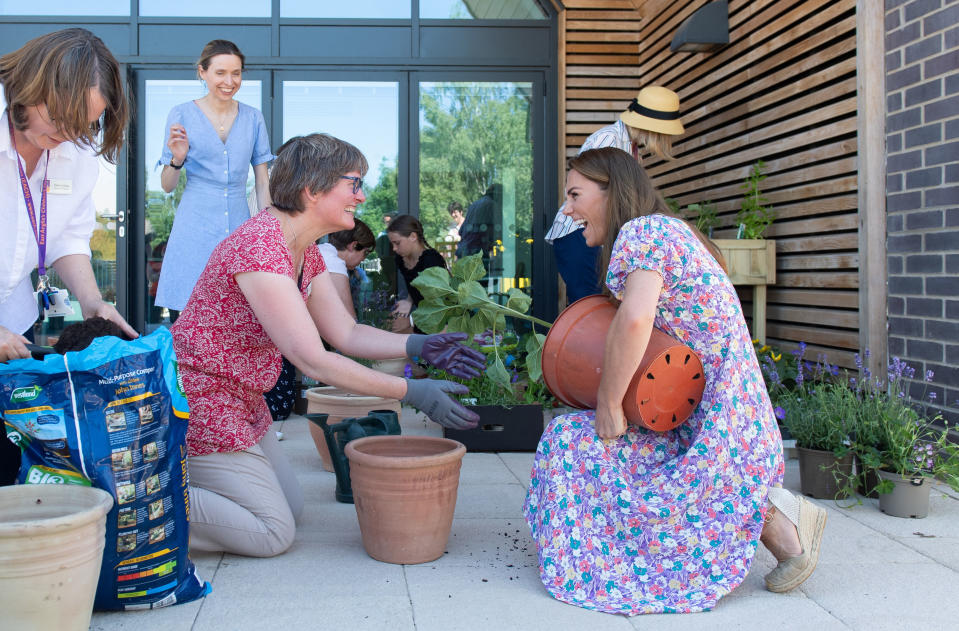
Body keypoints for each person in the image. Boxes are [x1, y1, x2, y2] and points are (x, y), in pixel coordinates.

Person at [524, 147, 826, 614]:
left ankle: (780, 526)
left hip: (718, 430)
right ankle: (776, 522)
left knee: (574, 441)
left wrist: (607, 404)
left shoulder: (645, 230)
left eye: (575, 194)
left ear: (612, 192)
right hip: (709, 419)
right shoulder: (668, 231)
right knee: (574, 439)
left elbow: (635, 319)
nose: (567, 208)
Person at [170, 133, 485, 557]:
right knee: (271, 532)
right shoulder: (260, 246)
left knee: (292, 510)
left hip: (243, 398)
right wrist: (412, 391)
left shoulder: (307, 251)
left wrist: (421, 347)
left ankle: (188, 478)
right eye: (354, 183)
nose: (361, 195)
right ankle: (138, 504)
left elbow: (346, 334)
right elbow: (311, 358)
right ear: (312, 189)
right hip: (200, 399)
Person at [0, 28, 137, 364]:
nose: (69, 134)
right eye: (60, 118)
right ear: (31, 86)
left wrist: (92, 302)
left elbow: (69, 238)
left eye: (84, 125)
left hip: (15, 324)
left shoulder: (77, 153)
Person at [154, 39, 274, 321]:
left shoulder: (254, 118)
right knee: (189, 318)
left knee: (238, 316)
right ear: (202, 72)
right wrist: (177, 158)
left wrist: (269, 230)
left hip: (239, 227)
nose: (229, 81)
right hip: (193, 228)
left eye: (236, 73)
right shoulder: (182, 113)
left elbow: (262, 182)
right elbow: (167, 185)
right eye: (220, 72)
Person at [545, 86, 684, 303]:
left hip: (596, 235)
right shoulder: (608, 140)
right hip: (579, 231)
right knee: (590, 307)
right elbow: (579, 189)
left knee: (597, 307)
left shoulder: (630, 147)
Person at [386, 214, 447, 335]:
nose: (394, 248)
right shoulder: (401, 259)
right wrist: (409, 301)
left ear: (413, 236)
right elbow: (416, 285)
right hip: (424, 320)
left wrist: (410, 321)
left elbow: (438, 303)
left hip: (444, 322)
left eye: (397, 243)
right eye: (392, 244)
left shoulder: (432, 260)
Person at [318, 218, 375, 318]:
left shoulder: (320, 250)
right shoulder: (334, 263)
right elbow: (349, 319)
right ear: (354, 245)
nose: (363, 259)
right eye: (365, 253)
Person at [456, 184, 499, 261]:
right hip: (475, 256)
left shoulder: (474, 205)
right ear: (498, 195)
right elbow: (503, 233)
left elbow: (461, 231)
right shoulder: (492, 205)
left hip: (463, 254)